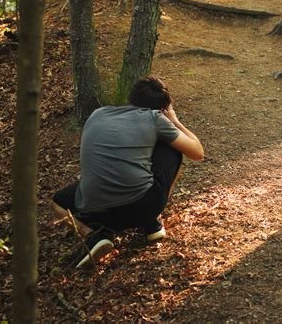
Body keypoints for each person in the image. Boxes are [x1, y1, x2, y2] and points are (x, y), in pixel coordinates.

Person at [52, 76, 203, 268]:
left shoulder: (98, 113)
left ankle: (92, 236)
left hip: (94, 211)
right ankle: (152, 221)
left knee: (58, 202)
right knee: (173, 148)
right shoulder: (155, 118)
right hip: (142, 207)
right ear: (160, 108)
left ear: (131, 98)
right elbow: (197, 152)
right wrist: (174, 120)